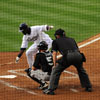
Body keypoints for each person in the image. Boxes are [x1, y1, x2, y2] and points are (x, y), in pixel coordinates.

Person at [43, 29, 92, 95]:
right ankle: (88, 86)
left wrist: (54, 65)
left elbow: (54, 54)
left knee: (56, 71)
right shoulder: (72, 39)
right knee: (81, 70)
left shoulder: (55, 41)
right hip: (78, 55)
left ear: (57, 36)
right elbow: (77, 49)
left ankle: (50, 89)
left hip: (68, 56)